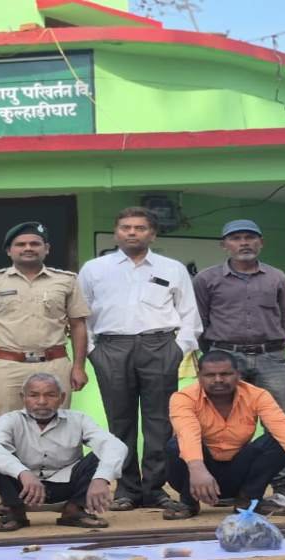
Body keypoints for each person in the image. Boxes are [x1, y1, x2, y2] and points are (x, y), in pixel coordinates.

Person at [78, 206, 202, 512]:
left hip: (160, 346)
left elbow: (189, 314)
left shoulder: (172, 268)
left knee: (159, 422)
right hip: (111, 348)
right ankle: (127, 489)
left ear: (153, 234)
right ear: (116, 233)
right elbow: (81, 314)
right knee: (119, 421)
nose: (132, 232)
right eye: (126, 227)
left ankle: (154, 489)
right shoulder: (94, 269)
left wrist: (178, 349)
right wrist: (93, 351)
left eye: (140, 228)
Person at [193, 219, 285, 504]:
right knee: (221, 419)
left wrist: (274, 346)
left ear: (261, 242)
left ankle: (283, 482)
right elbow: (200, 321)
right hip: (226, 359)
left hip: (270, 356)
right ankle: (224, 480)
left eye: (250, 237)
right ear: (224, 245)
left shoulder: (276, 277)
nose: (244, 243)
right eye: (236, 238)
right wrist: (216, 354)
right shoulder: (206, 279)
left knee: (278, 420)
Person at [164, 351, 285, 520]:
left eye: (226, 374)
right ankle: (188, 502)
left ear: (238, 375)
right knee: (176, 445)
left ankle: (249, 500)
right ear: (199, 376)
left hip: (238, 472)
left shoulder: (257, 395)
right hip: (196, 474)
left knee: (278, 441)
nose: (218, 379)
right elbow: (188, 434)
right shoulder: (183, 398)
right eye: (210, 375)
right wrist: (197, 469)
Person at [0, 221, 90, 419]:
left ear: (46, 249)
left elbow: (78, 326)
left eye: (35, 244)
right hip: (8, 367)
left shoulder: (66, 281)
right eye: (20, 244)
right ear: (9, 251)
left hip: (54, 364)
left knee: (57, 425)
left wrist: (78, 367)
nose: (28, 248)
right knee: (8, 426)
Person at [0, 373, 128, 531]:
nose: (42, 401)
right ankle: (15, 512)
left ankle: (74, 510)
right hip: (22, 488)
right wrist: (22, 472)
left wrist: (101, 478)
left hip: (67, 486)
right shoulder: (10, 420)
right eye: (34, 395)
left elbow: (115, 446)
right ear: (23, 398)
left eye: (50, 395)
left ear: (62, 398)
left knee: (101, 454)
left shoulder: (79, 419)